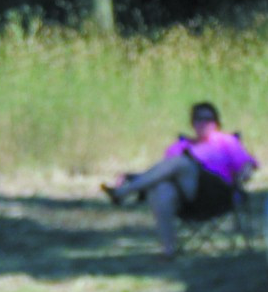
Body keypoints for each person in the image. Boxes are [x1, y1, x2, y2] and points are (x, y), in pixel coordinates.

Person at [102, 101, 258, 259]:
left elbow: (246, 164)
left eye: (208, 118)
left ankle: (124, 192)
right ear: (192, 122)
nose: (204, 122)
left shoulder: (227, 141)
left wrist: (245, 174)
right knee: (162, 188)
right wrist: (129, 175)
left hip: (218, 193)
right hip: (188, 198)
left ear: (217, 122)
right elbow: (161, 174)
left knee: (181, 161)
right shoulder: (180, 145)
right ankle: (168, 251)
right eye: (198, 118)